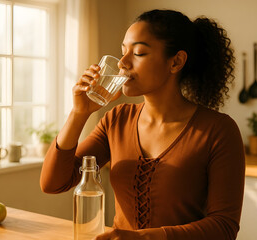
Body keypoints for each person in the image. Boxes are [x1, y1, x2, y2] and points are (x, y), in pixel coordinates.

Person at [40, 9, 245, 240]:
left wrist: (143, 238)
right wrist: (79, 114)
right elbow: (53, 183)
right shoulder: (117, 120)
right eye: (122, 51)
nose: (123, 63)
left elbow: (224, 227)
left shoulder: (218, 130)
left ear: (176, 62)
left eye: (138, 53)